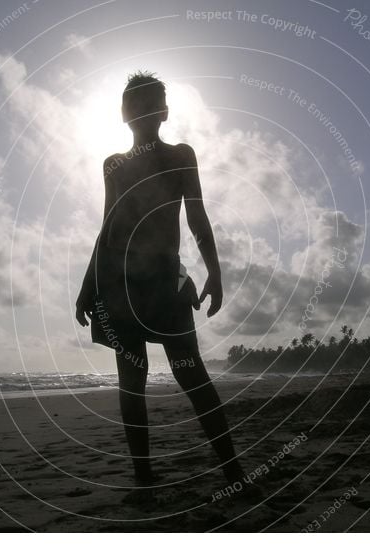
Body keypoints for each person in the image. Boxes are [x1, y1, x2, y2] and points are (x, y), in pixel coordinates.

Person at [75, 71, 245, 488]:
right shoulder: (113, 165)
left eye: (149, 104)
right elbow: (107, 226)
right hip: (119, 289)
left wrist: (215, 272)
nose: (141, 112)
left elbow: (197, 215)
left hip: (166, 284)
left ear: (164, 112)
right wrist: (87, 285)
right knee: (132, 385)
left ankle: (233, 470)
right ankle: (144, 480)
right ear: (123, 114)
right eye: (134, 105)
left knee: (192, 376)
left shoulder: (180, 156)